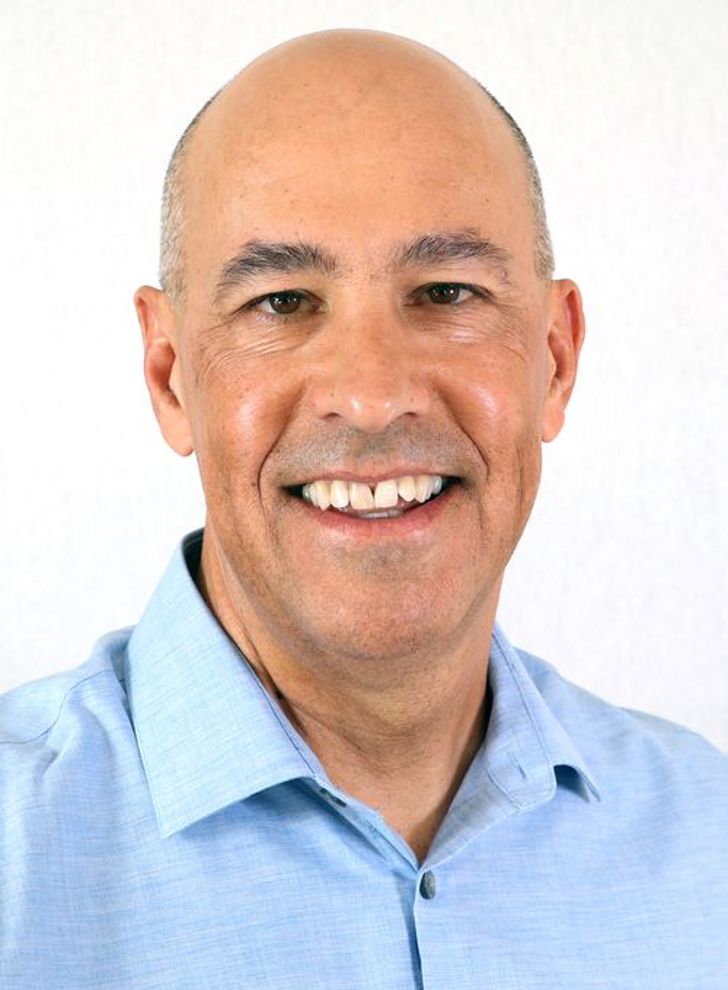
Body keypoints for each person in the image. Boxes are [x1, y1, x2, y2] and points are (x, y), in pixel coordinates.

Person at [1, 28, 726, 989]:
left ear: (556, 358)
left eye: (447, 291)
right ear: (169, 375)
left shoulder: (708, 840)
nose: (374, 395)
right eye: (281, 302)